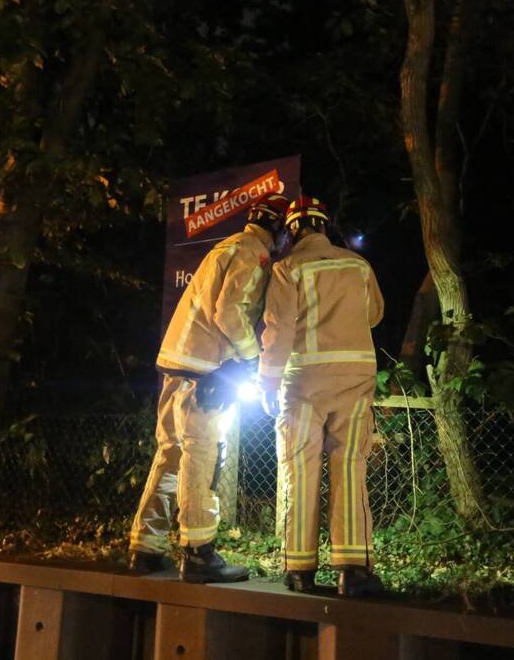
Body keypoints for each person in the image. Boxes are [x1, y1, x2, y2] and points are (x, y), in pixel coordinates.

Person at [128, 193, 288, 583]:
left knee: (170, 455)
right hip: (205, 372)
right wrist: (251, 357)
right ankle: (199, 554)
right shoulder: (254, 254)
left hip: (176, 363)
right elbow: (229, 312)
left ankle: (144, 548)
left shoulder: (227, 246)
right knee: (204, 457)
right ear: (277, 230)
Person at [258, 195, 385, 597]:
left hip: (302, 384)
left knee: (300, 469)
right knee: (350, 465)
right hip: (354, 378)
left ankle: (299, 570)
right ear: (325, 226)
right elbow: (374, 313)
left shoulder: (287, 268)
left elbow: (278, 331)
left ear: (293, 230)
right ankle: (353, 571)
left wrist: (267, 384)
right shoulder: (358, 265)